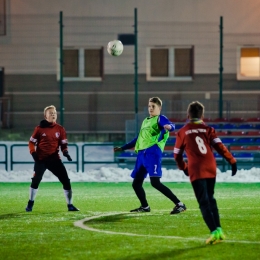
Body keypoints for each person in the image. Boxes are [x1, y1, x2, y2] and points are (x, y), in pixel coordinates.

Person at [173, 101, 237, 244]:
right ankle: (219, 229)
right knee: (211, 198)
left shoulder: (183, 132)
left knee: (203, 202)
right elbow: (220, 147)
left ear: (187, 115)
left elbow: (177, 154)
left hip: (196, 169)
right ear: (202, 114)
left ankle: (214, 231)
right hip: (210, 167)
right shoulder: (208, 130)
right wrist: (232, 161)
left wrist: (184, 167)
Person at [114, 97, 186, 214]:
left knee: (155, 182)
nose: (150, 108)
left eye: (153, 106)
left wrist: (169, 127)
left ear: (159, 108)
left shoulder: (160, 119)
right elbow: (138, 139)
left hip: (152, 154)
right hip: (141, 155)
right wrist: (123, 147)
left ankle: (180, 204)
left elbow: (170, 125)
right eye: (149, 106)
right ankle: (145, 207)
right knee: (136, 184)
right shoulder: (146, 121)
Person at [25, 105, 79, 212]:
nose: (53, 114)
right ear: (45, 116)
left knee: (66, 181)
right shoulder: (39, 129)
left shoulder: (60, 129)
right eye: (51, 113)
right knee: (36, 181)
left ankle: (70, 205)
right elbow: (31, 142)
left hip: (54, 159)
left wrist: (66, 152)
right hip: (40, 160)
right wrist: (33, 153)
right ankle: (30, 203)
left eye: (54, 113)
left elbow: (63, 145)